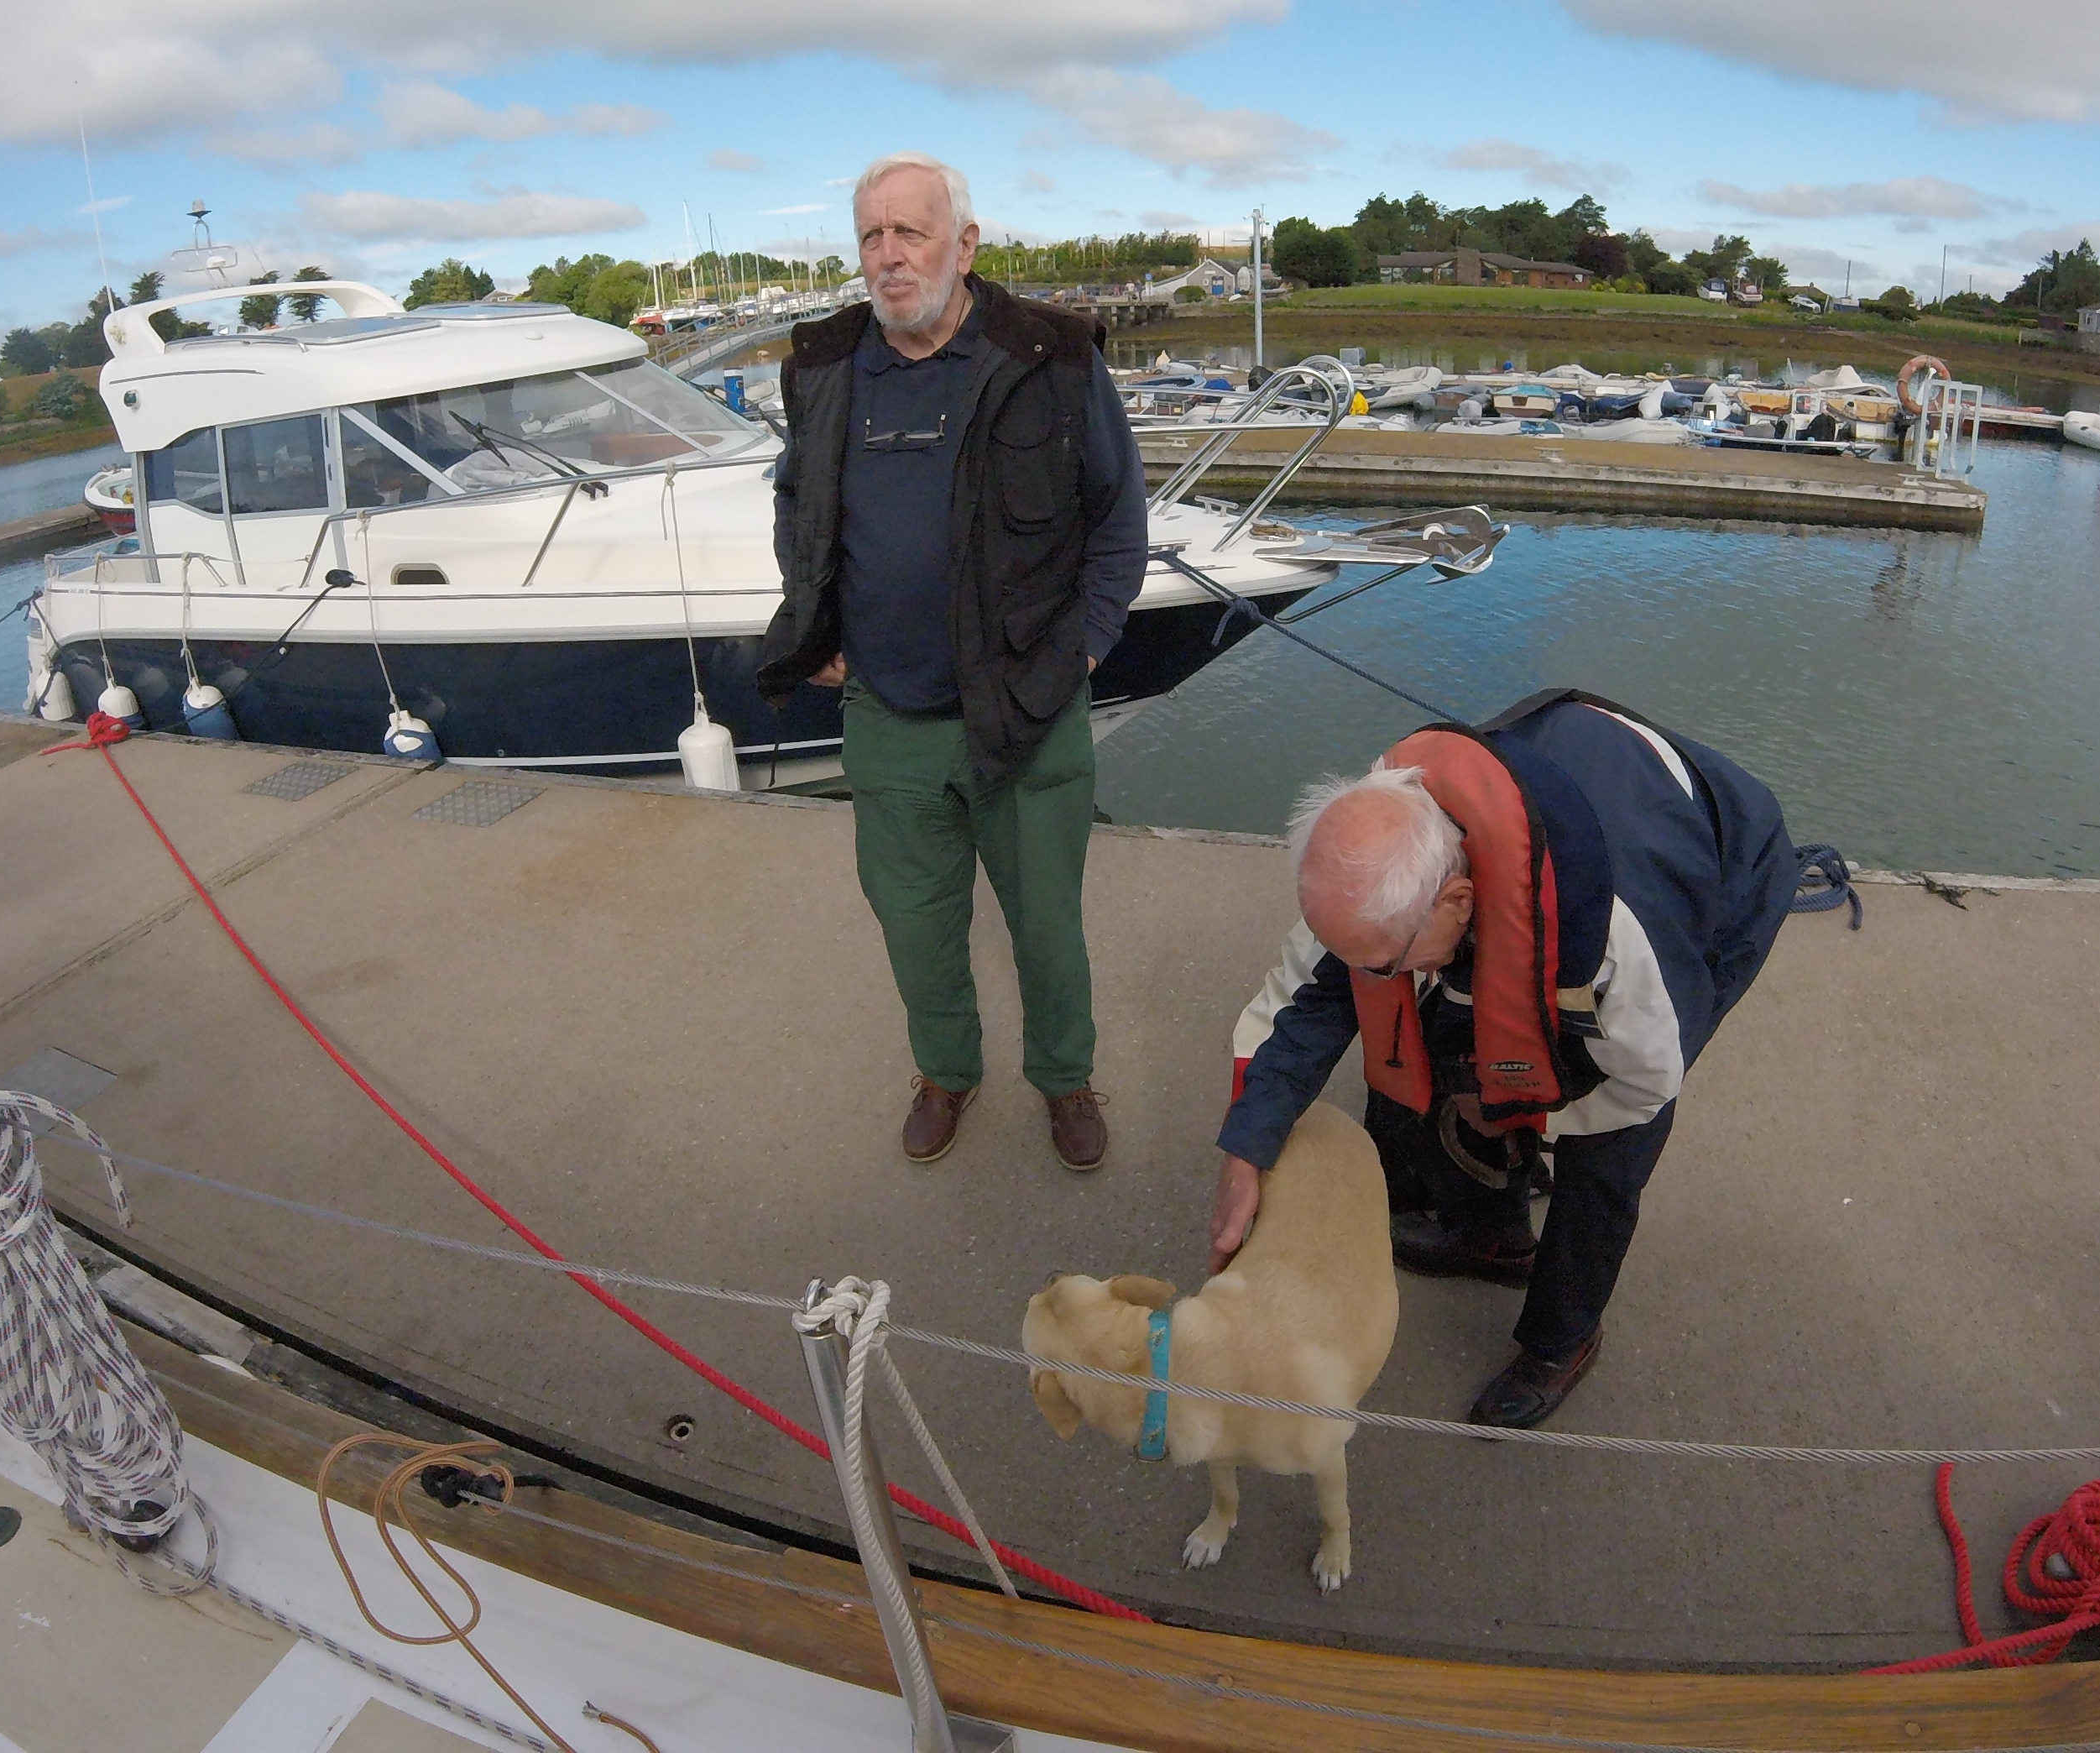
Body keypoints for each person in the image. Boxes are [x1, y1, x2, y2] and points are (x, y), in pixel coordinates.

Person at [1204, 691, 1801, 1428]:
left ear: (1458, 902)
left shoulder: (1615, 937)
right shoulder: (1382, 848)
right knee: (1433, 1040)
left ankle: (1563, 1339)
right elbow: (1311, 1001)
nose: (1372, 977)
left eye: (1384, 963)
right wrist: (1248, 1146)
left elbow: (1645, 1085)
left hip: (1718, 868)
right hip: (1567, 793)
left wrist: (1514, 1106)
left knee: (1605, 1157)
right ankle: (1488, 1233)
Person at [758, 154, 1148, 1170]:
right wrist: (815, 621)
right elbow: (797, 505)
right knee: (914, 926)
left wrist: (1085, 649)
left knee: (1047, 930)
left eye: (911, 232)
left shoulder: (1051, 356)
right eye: (872, 236)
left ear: (964, 245)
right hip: (887, 718)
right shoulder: (825, 367)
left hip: (1027, 712)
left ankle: (1064, 1079)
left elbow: (1118, 523)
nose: (889, 256)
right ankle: (946, 1072)